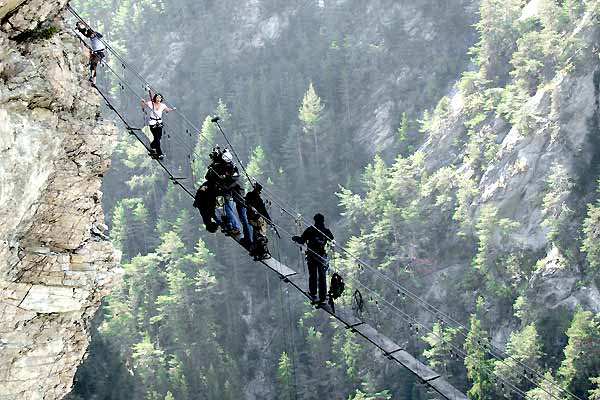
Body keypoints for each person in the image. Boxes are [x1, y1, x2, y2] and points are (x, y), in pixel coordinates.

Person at [292, 214, 334, 304]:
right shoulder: (326, 231)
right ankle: (322, 297)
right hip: (322, 256)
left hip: (312, 256)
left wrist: (295, 238)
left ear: (314, 220)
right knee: (322, 277)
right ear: (323, 221)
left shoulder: (310, 230)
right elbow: (331, 239)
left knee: (313, 274)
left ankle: (313, 293)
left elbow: (302, 240)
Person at [140, 91, 175, 159]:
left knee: (158, 137)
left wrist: (172, 110)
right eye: (157, 97)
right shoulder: (151, 103)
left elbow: (167, 110)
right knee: (157, 139)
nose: (159, 99)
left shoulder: (163, 105)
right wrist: (142, 102)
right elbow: (143, 107)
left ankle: (152, 145)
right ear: (155, 98)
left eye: (160, 98)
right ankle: (160, 153)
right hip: (152, 123)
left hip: (159, 123)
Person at [245, 183, 272, 260]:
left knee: (256, 236)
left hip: (251, 219)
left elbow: (246, 203)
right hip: (258, 220)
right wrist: (269, 221)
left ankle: (256, 252)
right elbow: (263, 211)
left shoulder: (249, 195)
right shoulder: (258, 199)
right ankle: (263, 253)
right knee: (261, 237)